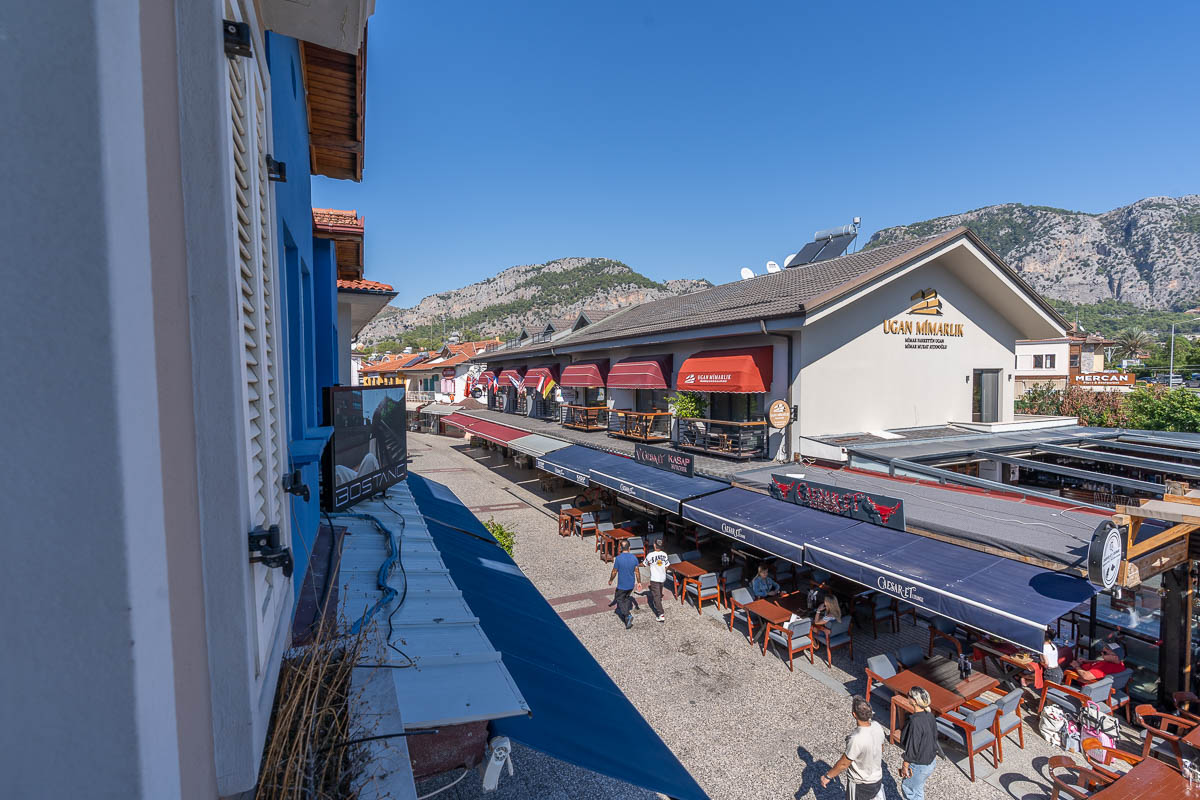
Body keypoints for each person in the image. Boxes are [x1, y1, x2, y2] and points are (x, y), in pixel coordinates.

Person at [821, 696, 887, 799]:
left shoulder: (856, 738)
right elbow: (881, 748)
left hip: (860, 783)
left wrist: (828, 776)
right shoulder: (877, 726)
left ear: (854, 714)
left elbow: (844, 763)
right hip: (877, 778)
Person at [898, 687, 938, 800]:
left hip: (919, 764)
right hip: (930, 761)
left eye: (909, 695)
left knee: (908, 789)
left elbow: (912, 747)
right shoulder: (930, 715)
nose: (907, 696)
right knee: (917, 788)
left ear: (914, 701)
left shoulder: (915, 721)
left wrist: (905, 765)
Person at [608, 539, 641, 630]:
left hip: (622, 585)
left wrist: (611, 580)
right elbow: (637, 572)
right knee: (626, 597)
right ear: (629, 548)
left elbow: (614, 571)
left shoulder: (618, 558)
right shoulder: (634, 558)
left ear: (621, 548)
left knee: (619, 599)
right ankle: (626, 614)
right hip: (631, 585)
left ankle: (627, 615)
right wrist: (639, 582)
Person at [642, 538, 670, 623]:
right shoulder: (664, 554)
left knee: (656, 596)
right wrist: (663, 570)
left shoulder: (650, 555)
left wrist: (636, 565)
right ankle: (658, 603)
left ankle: (661, 614)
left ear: (654, 545)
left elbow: (644, 564)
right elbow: (667, 565)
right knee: (659, 592)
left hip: (654, 578)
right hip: (662, 578)